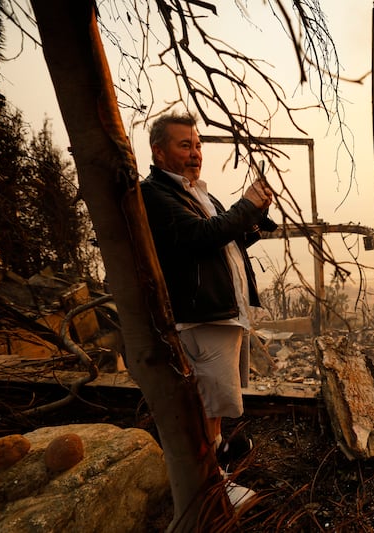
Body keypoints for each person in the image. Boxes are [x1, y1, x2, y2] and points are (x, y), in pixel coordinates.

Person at [140, 111, 275, 487]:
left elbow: (228, 239)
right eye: (185, 145)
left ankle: (215, 462)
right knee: (205, 405)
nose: (196, 153)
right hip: (200, 317)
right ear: (159, 152)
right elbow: (201, 236)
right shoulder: (154, 194)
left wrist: (255, 213)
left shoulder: (198, 193)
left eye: (198, 145)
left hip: (221, 315)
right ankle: (208, 485)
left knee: (214, 403)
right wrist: (245, 206)